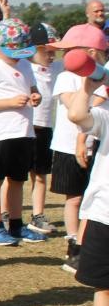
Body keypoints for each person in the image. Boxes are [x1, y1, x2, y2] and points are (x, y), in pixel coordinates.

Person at [0, 18, 45, 246]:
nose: (18, 56)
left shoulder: (25, 65)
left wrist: (35, 96)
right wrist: (9, 102)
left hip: (24, 132)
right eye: (13, 52)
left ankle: (16, 225)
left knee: (17, 180)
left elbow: (33, 89)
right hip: (2, 134)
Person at [49, 24, 109, 273]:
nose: (65, 56)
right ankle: (76, 247)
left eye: (71, 50)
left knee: (88, 196)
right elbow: (75, 111)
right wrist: (91, 86)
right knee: (78, 197)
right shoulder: (66, 76)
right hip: (72, 141)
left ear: (92, 51)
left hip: (95, 140)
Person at [61, 62, 109, 306]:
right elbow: (78, 116)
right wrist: (89, 87)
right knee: (104, 286)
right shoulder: (106, 117)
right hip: (105, 213)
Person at [27, 23, 59, 234]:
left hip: (45, 127)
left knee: (40, 175)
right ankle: (5, 213)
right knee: (15, 176)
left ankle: (37, 215)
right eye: (47, 50)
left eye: (54, 51)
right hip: (26, 128)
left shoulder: (58, 68)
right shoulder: (25, 67)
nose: (51, 55)